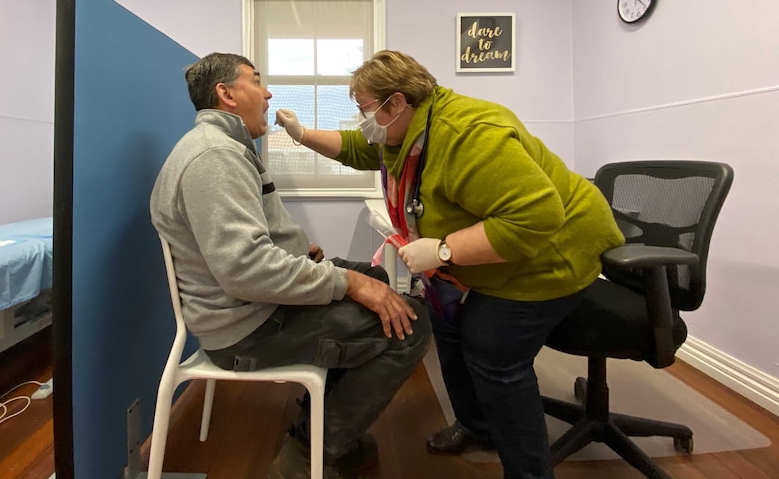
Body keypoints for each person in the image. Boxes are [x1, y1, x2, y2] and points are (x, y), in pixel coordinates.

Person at [275, 50, 625, 479]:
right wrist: (301, 134)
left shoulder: (468, 133)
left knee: (492, 348)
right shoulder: (406, 133)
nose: (361, 118)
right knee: (446, 324)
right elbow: (356, 148)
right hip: (504, 250)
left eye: (365, 107)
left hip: (554, 249)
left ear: (397, 102)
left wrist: (443, 250)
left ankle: (529, 472)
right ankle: (478, 427)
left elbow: (536, 217)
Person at [150, 52, 432, 479]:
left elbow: (251, 246)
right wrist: (346, 283)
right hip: (248, 328)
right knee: (410, 327)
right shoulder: (214, 159)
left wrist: (314, 263)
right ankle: (307, 454)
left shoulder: (226, 149)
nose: (268, 94)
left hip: (250, 307)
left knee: (378, 279)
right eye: (256, 82)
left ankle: (322, 422)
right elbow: (246, 269)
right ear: (226, 94)